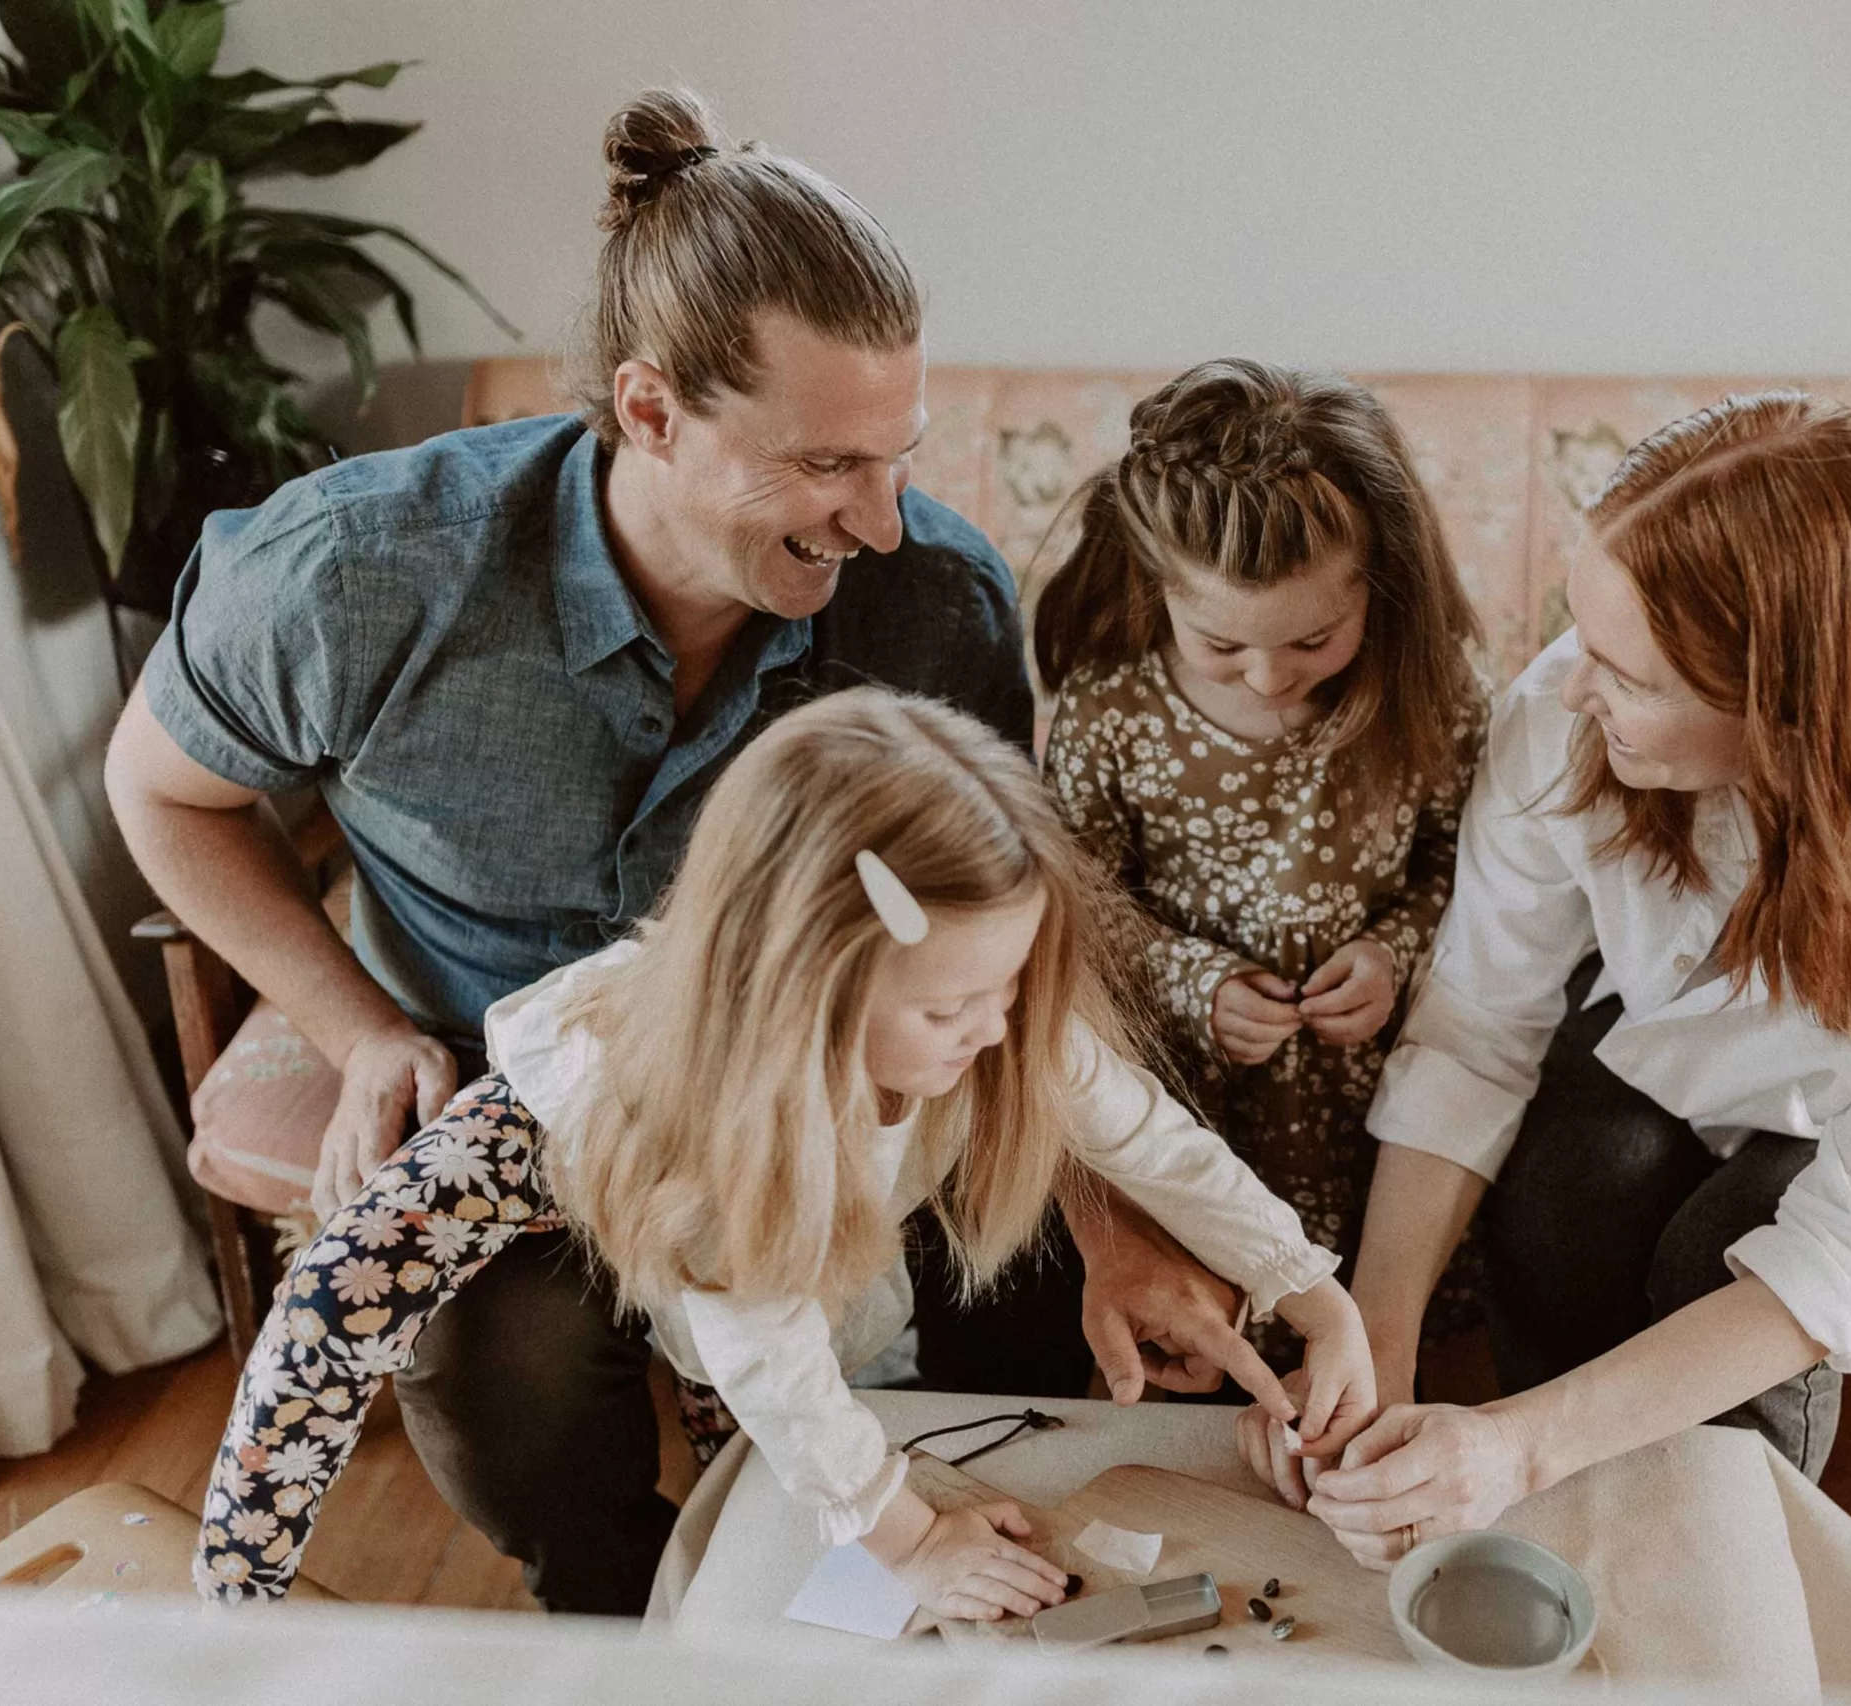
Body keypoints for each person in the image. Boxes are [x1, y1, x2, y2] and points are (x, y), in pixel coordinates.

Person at [108, 88, 1267, 1614]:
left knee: (1022, 1307)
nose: (883, 517)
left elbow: (1003, 934)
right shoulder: (356, 572)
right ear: (649, 410)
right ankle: (626, 1606)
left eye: (897, 452)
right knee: (506, 1365)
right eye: (823, 466)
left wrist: (1114, 1226)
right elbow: (163, 797)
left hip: (831, 1073)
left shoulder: (934, 606)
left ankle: (871, 1589)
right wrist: (357, 1027)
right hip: (509, 1079)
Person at [195, 690, 1378, 1612]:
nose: (996, 1025)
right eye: (950, 1005)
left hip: (758, 1187)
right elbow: (763, 1342)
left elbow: (1157, 1145)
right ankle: (219, 1611)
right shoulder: (728, 1128)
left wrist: (1318, 1300)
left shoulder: (981, 1009)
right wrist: (910, 1541)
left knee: (772, 1425)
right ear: (811, 992)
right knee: (336, 1308)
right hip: (571, 1129)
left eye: (1008, 984)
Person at [1283, 393, 1851, 1559]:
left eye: (1632, 677)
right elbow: (1474, 1029)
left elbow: (1849, 1245)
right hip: (1690, 1040)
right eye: (1579, 635)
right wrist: (1375, 1349)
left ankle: (1714, 1582)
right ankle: (1541, 1548)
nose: (1573, 689)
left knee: (1720, 1256)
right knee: (1565, 1191)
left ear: (1795, 704)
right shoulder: (1568, 705)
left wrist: (1518, 1442)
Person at [1034, 360, 1491, 1390]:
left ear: (1379, 582)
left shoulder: (1437, 689)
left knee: (1387, 1357)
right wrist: (1196, 982)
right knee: (1205, 1356)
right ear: (1158, 587)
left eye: (1313, 639)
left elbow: (1474, 874)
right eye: (1222, 643)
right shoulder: (1112, 711)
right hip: (1193, 1107)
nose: (1272, 674)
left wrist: (1392, 952)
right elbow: (1073, 911)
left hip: (1377, 1112)